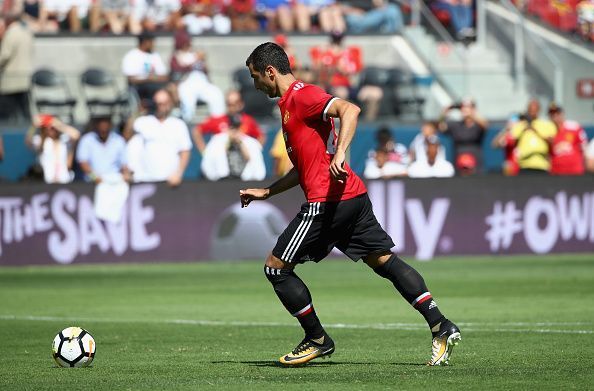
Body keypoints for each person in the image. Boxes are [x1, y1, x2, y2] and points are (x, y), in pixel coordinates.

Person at [240, 42, 461, 366]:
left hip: (326, 203)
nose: (257, 85)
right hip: (351, 197)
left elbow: (350, 109)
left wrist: (342, 152)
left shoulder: (301, 95)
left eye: (256, 77)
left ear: (270, 72)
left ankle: (317, 338)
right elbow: (305, 167)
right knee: (384, 261)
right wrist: (269, 192)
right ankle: (441, 325)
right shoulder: (290, 103)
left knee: (276, 267)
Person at [127, 89, 191, 186]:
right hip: (146, 179)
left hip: (169, 180)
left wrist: (178, 173)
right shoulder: (143, 121)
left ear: (170, 104)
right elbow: (127, 136)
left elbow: (185, 151)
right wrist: (138, 111)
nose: (161, 107)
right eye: (158, 103)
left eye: (164, 103)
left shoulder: (178, 125)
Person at [170, 28, 225, 123]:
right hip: (186, 83)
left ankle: (218, 122)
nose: (188, 44)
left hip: (202, 83)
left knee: (216, 94)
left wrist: (203, 61)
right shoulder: (176, 56)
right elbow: (177, 70)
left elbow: (206, 72)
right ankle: (187, 122)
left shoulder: (194, 54)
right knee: (188, 100)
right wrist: (195, 59)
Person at [192, 90, 265, 154]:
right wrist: (205, 153)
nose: (232, 108)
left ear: (241, 104)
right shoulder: (218, 120)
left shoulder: (248, 121)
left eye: (235, 104)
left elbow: (261, 136)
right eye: (229, 104)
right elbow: (197, 131)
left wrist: (254, 153)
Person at [201, 113, 266, 181]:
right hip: (222, 181)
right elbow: (216, 157)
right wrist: (229, 140)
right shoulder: (218, 140)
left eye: (237, 128)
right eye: (232, 127)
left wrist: (240, 142)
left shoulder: (249, 141)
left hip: (243, 179)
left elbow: (250, 158)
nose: (235, 130)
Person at [25, 114, 80, 184]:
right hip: (47, 179)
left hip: (64, 179)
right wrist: (33, 126)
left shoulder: (64, 140)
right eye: (47, 127)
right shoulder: (42, 141)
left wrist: (57, 124)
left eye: (52, 128)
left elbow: (76, 135)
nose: (50, 129)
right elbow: (28, 141)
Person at [0, 11, 34, 124]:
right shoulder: (26, 31)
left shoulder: (11, 33)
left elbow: (4, 56)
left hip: (11, 81)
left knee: (5, 116)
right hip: (24, 80)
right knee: (25, 114)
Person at [438, 99, 487, 174]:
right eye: (463, 107)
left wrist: (472, 114)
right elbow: (441, 127)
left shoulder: (478, 125)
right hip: (459, 161)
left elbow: (485, 125)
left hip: (475, 163)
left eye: (468, 107)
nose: (465, 109)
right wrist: (445, 112)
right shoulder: (456, 125)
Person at [122, 31, 170, 108]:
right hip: (140, 88)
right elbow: (131, 79)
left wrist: (152, 78)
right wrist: (149, 78)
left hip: (155, 85)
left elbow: (164, 76)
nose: (153, 44)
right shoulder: (131, 56)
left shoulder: (155, 55)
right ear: (145, 42)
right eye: (151, 42)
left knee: (170, 87)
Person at [76, 115, 130, 183]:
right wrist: (95, 178)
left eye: (105, 130)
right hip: (92, 183)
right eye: (101, 130)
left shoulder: (119, 140)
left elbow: (124, 164)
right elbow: (83, 163)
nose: (103, 130)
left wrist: (126, 175)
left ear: (110, 125)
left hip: (115, 181)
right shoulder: (87, 140)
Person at [509, 99, 557, 174]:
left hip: (542, 165)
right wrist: (523, 130)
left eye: (535, 109)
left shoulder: (547, 125)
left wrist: (536, 130)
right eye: (530, 109)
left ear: (539, 110)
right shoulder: (520, 125)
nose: (532, 112)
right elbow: (511, 142)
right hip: (524, 165)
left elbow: (552, 142)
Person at [548, 103, 588, 176]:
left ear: (562, 114)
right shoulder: (548, 131)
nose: (555, 116)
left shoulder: (573, 126)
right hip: (556, 172)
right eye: (552, 114)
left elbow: (584, 147)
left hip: (575, 171)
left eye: (557, 113)